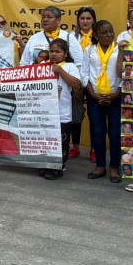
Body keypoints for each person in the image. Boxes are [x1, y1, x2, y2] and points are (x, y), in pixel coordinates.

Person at [81, 20, 121, 183]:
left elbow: (125, 73)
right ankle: (100, 165)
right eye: (104, 33)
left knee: (115, 133)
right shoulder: (89, 50)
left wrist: (116, 94)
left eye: (111, 31)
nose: (109, 35)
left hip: (115, 97)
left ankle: (114, 167)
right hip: (95, 97)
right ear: (96, 35)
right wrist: (93, 94)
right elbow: (84, 73)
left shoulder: (120, 49)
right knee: (97, 132)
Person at [39, 38, 81, 180]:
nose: (54, 54)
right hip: (45, 113)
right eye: (51, 51)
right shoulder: (43, 66)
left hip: (62, 114)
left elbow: (76, 84)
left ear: (65, 54)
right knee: (46, 140)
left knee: (61, 143)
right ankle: (47, 164)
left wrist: (61, 71)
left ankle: (59, 167)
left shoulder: (69, 66)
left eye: (58, 51)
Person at [69, 6, 95, 160]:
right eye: (82, 18)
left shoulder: (98, 36)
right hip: (76, 81)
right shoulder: (72, 37)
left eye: (88, 18)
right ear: (78, 20)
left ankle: (93, 149)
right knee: (76, 116)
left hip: (94, 81)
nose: (85, 21)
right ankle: (76, 146)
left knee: (94, 116)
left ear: (93, 20)